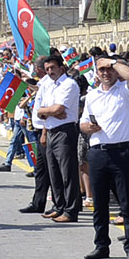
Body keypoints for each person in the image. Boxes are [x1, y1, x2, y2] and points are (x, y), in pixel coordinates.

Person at [78, 55, 129, 259]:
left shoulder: (125, 91)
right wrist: (86, 127)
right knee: (100, 202)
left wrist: (112, 62)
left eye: (109, 70)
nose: (105, 73)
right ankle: (101, 244)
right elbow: (83, 122)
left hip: (121, 151)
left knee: (127, 202)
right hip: (98, 151)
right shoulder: (92, 95)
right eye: (101, 70)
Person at [29, 53, 83, 222]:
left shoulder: (69, 84)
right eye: (47, 69)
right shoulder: (50, 86)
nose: (50, 71)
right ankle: (59, 206)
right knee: (54, 173)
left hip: (65, 131)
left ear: (62, 67)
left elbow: (57, 109)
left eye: (53, 67)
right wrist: (46, 115)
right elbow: (42, 109)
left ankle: (71, 210)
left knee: (68, 173)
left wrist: (46, 112)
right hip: (51, 130)